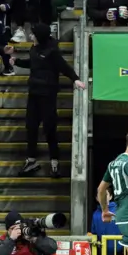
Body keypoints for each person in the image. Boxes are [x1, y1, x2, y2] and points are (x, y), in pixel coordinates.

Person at [10, 24, 85, 177]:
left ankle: (55, 162)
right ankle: (31, 160)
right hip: (34, 94)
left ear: (40, 36)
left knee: (50, 129)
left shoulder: (52, 52)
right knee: (31, 127)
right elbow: (32, 63)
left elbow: (64, 67)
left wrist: (75, 79)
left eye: (33, 35)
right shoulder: (34, 49)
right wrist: (16, 61)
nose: (31, 37)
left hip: (48, 95)